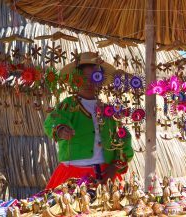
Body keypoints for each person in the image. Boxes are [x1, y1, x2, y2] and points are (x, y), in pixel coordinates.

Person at [44, 52, 133, 189]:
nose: (88, 82)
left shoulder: (109, 111)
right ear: (75, 80)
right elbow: (52, 121)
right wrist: (61, 130)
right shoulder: (67, 106)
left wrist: (114, 167)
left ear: (100, 80)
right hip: (72, 175)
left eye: (93, 77)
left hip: (105, 175)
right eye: (83, 78)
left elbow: (122, 139)